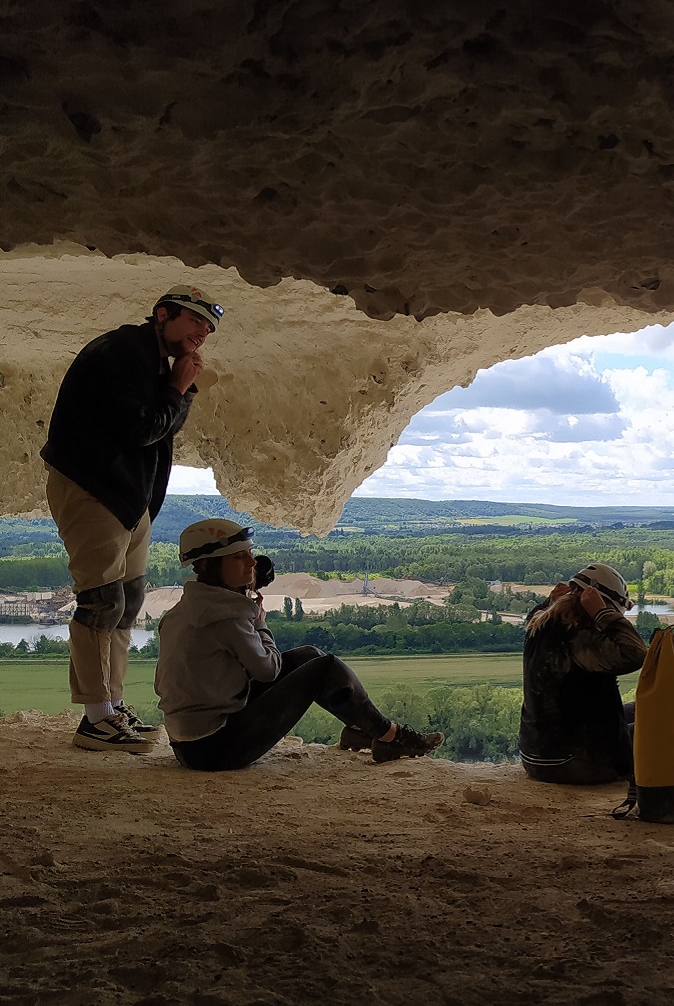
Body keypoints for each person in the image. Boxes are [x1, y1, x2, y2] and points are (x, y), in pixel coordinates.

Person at [41, 284, 223, 753]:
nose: (203, 331)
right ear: (162, 314)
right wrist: (180, 387)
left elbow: (152, 428)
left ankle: (111, 705)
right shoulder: (123, 352)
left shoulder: (147, 358)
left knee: (124, 599)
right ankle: (95, 718)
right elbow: (144, 428)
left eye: (208, 325)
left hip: (126, 496)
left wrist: (175, 387)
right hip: (95, 489)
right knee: (100, 600)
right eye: (195, 320)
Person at [155, 520, 443, 770]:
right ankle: (391, 736)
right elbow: (267, 671)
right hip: (216, 748)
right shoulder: (226, 618)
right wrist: (259, 622)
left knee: (307, 656)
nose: (253, 563)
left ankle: (361, 730)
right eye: (239, 557)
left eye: (250, 554)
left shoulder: (180, 612)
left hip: (185, 743)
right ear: (210, 565)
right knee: (324, 667)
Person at [518, 563, 649, 785]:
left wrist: (553, 600)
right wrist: (603, 613)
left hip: (536, 758)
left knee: (644, 710)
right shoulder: (579, 638)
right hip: (579, 764)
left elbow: (536, 613)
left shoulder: (540, 624)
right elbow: (635, 654)